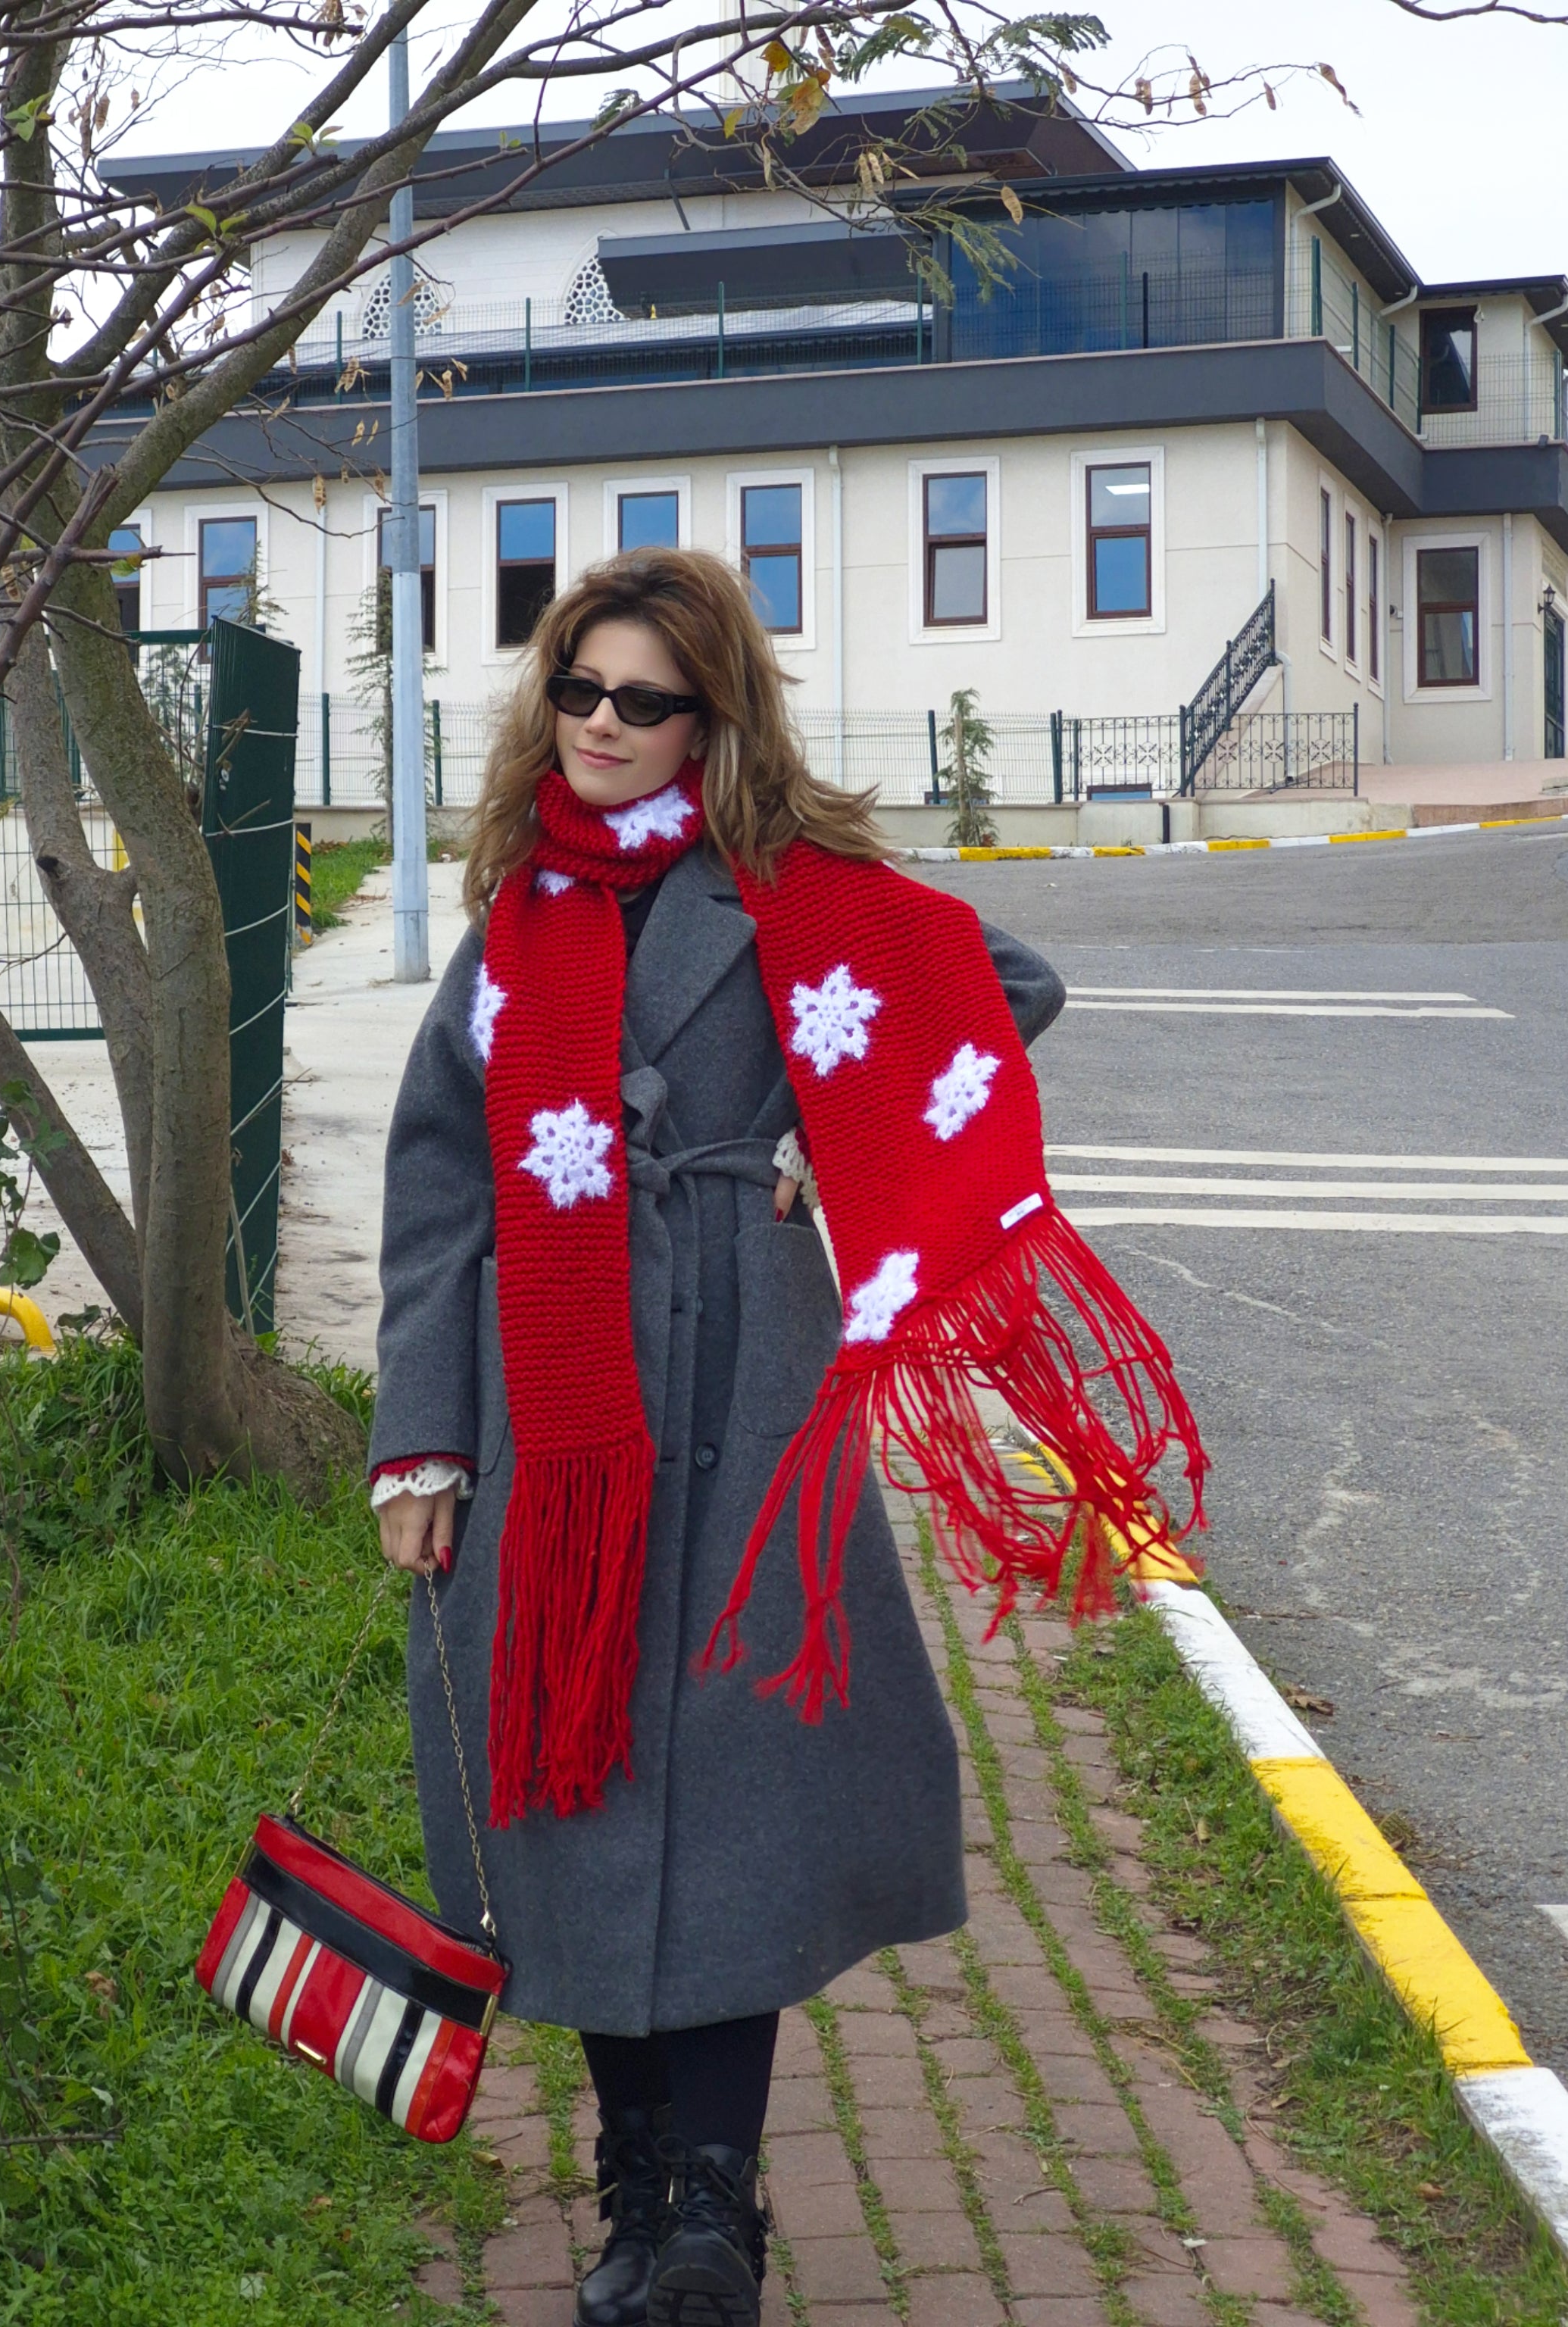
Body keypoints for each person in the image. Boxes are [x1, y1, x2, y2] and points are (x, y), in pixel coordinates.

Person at [370, 548, 1197, 2327]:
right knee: (570, 1786)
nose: (599, 723)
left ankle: (706, 2223)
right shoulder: (515, 912)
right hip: (549, 1417)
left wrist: (858, 1133)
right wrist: (421, 1448)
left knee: (730, 1794)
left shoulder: (795, 890)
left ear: (710, 714)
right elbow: (438, 1189)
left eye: (642, 698)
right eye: (575, 689)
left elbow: (1005, 984)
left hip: (745, 1397)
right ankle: (629, 2194)